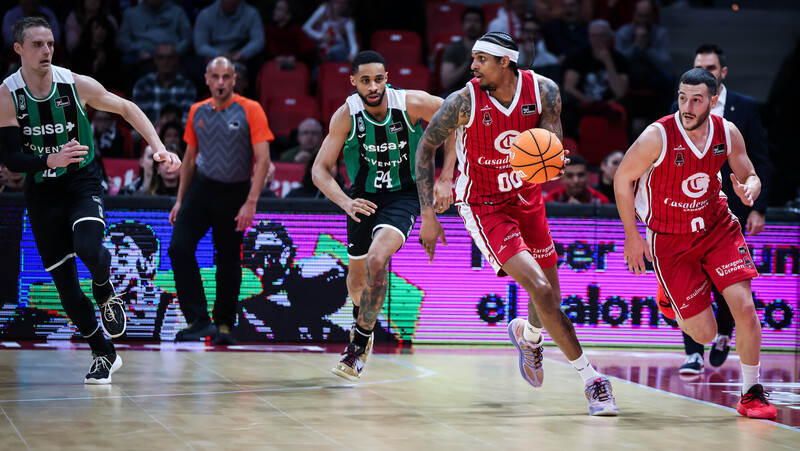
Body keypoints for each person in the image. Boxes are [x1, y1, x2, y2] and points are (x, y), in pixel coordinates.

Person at [415, 32, 619, 416]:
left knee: (549, 298)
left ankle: (528, 338)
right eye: (472, 59)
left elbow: (552, 137)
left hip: (527, 198)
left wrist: (551, 155)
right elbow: (425, 147)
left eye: (480, 59)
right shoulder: (463, 100)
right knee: (540, 288)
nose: (472, 66)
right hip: (485, 205)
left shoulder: (544, 90)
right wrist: (428, 213)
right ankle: (592, 380)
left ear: (504, 62)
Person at [0, 17, 180, 383]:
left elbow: (127, 108)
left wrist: (159, 149)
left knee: (88, 246)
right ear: (18, 49)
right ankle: (103, 352)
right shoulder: (7, 93)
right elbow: (12, 158)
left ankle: (104, 288)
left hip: (82, 182)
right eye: (36, 45)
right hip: (42, 193)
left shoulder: (74, 83)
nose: (46, 51)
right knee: (65, 288)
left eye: (50, 43)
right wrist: (49, 159)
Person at [614, 68, 776, 420]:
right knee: (705, 333)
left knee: (745, 309)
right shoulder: (657, 136)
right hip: (670, 239)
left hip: (717, 228)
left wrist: (751, 188)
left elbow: (749, 172)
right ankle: (669, 297)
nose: (687, 106)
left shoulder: (727, 132)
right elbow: (622, 178)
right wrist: (632, 236)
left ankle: (751, 394)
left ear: (713, 101)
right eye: (683, 97)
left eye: (696, 99)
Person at [312, 50, 456, 382]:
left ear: (386, 77)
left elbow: (455, 120)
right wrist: (346, 203)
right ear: (354, 82)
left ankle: (358, 345)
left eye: (378, 78)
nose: (373, 86)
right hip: (362, 199)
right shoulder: (346, 116)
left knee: (378, 258)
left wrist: (445, 178)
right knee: (356, 281)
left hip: (405, 195)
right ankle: (364, 320)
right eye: (365, 80)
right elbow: (319, 171)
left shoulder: (412, 103)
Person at [669, 44, 773, 374]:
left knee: (730, 286)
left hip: (730, 209)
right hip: (686, 213)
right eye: (700, 66)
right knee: (693, 282)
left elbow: (759, 163)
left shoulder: (743, 109)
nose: (706, 72)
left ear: (722, 73)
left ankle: (726, 336)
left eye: (711, 67)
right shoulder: (678, 110)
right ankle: (693, 353)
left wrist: (757, 203)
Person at [168, 57, 273, 346]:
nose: (221, 82)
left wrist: (251, 202)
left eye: (226, 76)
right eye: (215, 76)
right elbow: (189, 159)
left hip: (236, 192)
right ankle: (199, 321)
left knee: (228, 260)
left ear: (234, 79)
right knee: (178, 248)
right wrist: (179, 200)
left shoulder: (251, 109)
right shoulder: (196, 111)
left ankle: (224, 324)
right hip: (201, 190)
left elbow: (263, 160)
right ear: (206, 78)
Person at [238, 220, 349, 341]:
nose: (266, 262)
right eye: (259, 256)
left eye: (272, 252)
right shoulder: (246, 312)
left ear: (287, 252)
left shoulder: (312, 281)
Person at [103, 220, 182, 340]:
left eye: (122, 257)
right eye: (108, 258)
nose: (113, 267)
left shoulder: (174, 311)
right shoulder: (106, 312)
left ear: (148, 261)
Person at [131, 43, 197, 124]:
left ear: (176, 60)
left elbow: (186, 119)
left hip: (178, 133)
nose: (166, 61)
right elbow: (138, 120)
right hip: (149, 133)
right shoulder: (143, 85)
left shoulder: (187, 86)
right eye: (161, 57)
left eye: (170, 57)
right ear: (155, 60)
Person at [117, 0, 192, 64]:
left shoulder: (178, 11)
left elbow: (187, 38)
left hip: (173, 57)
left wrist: (175, 52)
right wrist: (138, 50)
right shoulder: (130, 13)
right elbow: (122, 40)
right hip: (141, 57)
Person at [193, 0, 264, 66]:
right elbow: (200, 45)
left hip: (242, 54)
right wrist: (219, 54)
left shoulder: (252, 13)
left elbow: (258, 40)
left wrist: (242, 53)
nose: (231, 1)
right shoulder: (205, 15)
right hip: (213, 56)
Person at [440, 6, 484, 96]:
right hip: (456, 94)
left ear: (482, 25)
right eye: (468, 21)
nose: (472, 25)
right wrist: (467, 62)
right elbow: (446, 82)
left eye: (476, 21)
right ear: (463, 24)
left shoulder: (489, 49)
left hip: (481, 93)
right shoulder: (453, 48)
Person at [544, 154, 610, 204]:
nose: (576, 181)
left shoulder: (601, 201)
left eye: (581, 175)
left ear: (588, 176)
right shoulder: (550, 200)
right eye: (570, 176)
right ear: (563, 178)